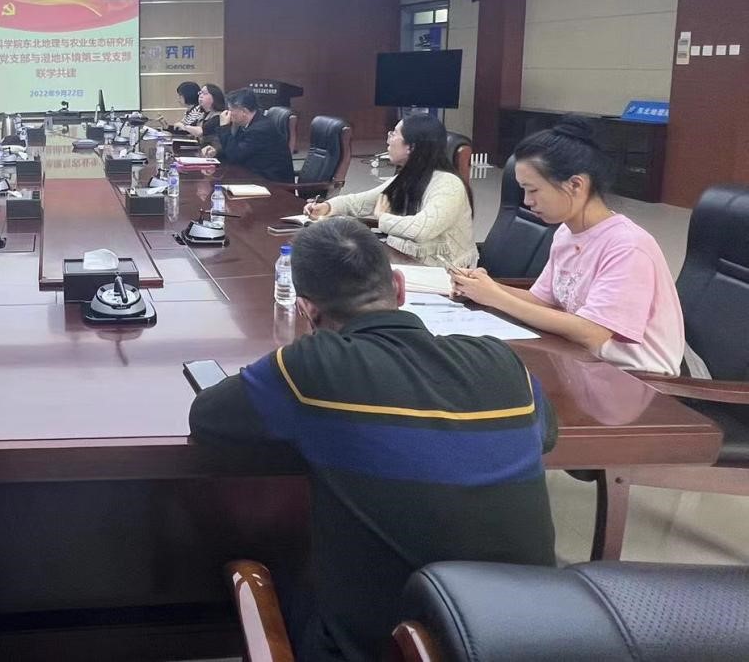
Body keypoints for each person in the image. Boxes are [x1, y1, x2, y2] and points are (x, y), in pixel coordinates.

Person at [190, 218, 556, 662]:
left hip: (386, 647)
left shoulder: (313, 366)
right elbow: (546, 435)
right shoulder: (501, 360)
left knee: (282, 561)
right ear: (399, 287)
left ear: (307, 309)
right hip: (531, 638)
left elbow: (208, 418)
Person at [451, 116, 686, 374]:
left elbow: (592, 332)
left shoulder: (628, 247)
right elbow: (541, 300)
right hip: (581, 362)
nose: (527, 201)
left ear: (575, 184)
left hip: (637, 380)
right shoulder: (565, 233)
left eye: (533, 190)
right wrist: (483, 287)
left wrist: (496, 297)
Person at [304, 114, 476, 268]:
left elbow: (422, 230)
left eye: (394, 134)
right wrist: (327, 206)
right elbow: (361, 201)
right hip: (410, 263)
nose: (388, 140)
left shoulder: (448, 184)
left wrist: (382, 218)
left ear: (411, 147)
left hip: (448, 275)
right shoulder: (411, 176)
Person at [200, 87, 295, 181]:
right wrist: (216, 151)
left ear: (244, 111)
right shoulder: (249, 123)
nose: (228, 113)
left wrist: (224, 127)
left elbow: (234, 156)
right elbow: (238, 148)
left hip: (271, 183)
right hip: (253, 175)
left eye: (231, 110)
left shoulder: (260, 130)